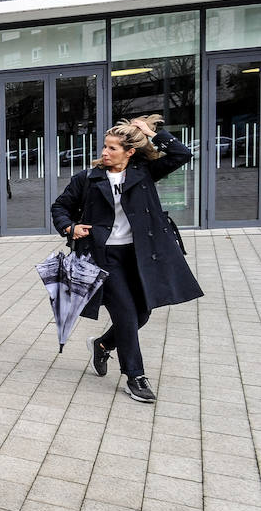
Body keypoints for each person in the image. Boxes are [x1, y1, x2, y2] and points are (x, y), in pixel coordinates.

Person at [51, 115, 202, 404]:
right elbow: (60, 207)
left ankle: (103, 344)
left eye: (112, 148)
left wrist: (151, 132)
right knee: (126, 313)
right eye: (104, 147)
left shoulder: (143, 173)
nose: (105, 153)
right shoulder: (88, 179)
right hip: (104, 256)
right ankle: (135, 376)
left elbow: (182, 154)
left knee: (143, 313)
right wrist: (70, 227)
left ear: (129, 152)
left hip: (140, 254)